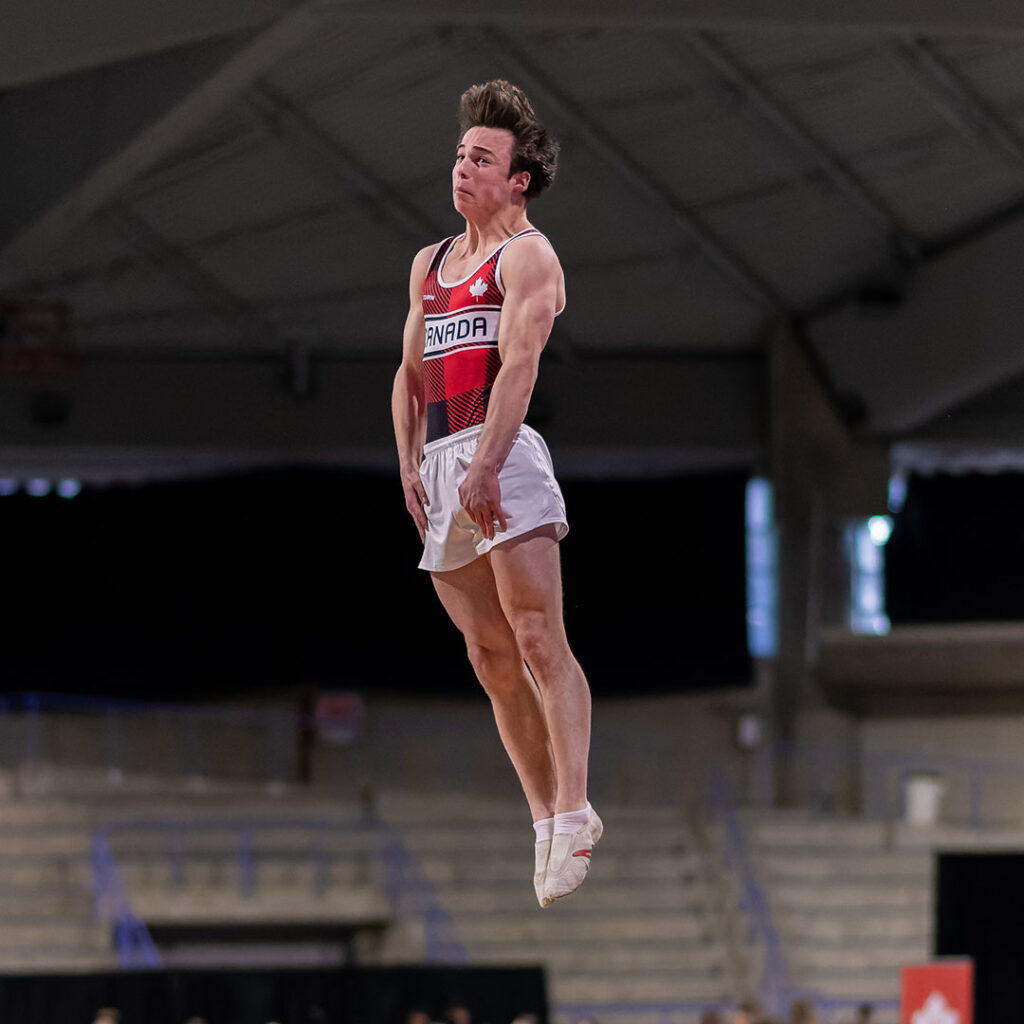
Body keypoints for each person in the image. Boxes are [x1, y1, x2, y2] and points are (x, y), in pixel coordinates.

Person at [392, 78, 600, 908]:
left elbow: (519, 365)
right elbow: (409, 376)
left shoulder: (530, 256)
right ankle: (543, 819)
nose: (463, 167)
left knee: (538, 636)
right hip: (441, 459)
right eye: (459, 155)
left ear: (518, 178)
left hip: (500, 452)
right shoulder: (431, 265)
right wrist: (408, 461)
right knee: (489, 660)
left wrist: (488, 458)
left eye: (482, 157)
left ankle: (577, 808)